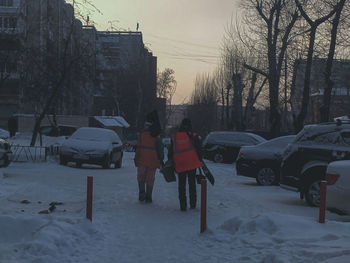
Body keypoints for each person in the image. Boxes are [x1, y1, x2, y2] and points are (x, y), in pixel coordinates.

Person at [168, 118, 202, 211]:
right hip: (192, 163)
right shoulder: (194, 136)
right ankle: (193, 204)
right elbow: (199, 150)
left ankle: (183, 205)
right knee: (192, 184)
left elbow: (171, 151)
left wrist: (170, 162)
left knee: (181, 185)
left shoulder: (175, 137)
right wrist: (200, 161)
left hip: (180, 164)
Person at [134, 110, 164, 203]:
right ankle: (148, 196)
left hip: (142, 160)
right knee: (150, 179)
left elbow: (138, 148)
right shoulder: (156, 136)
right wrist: (161, 159)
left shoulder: (142, 135)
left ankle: (141, 193)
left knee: (141, 177)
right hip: (153, 161)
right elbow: (160, 149)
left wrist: (136, 159)